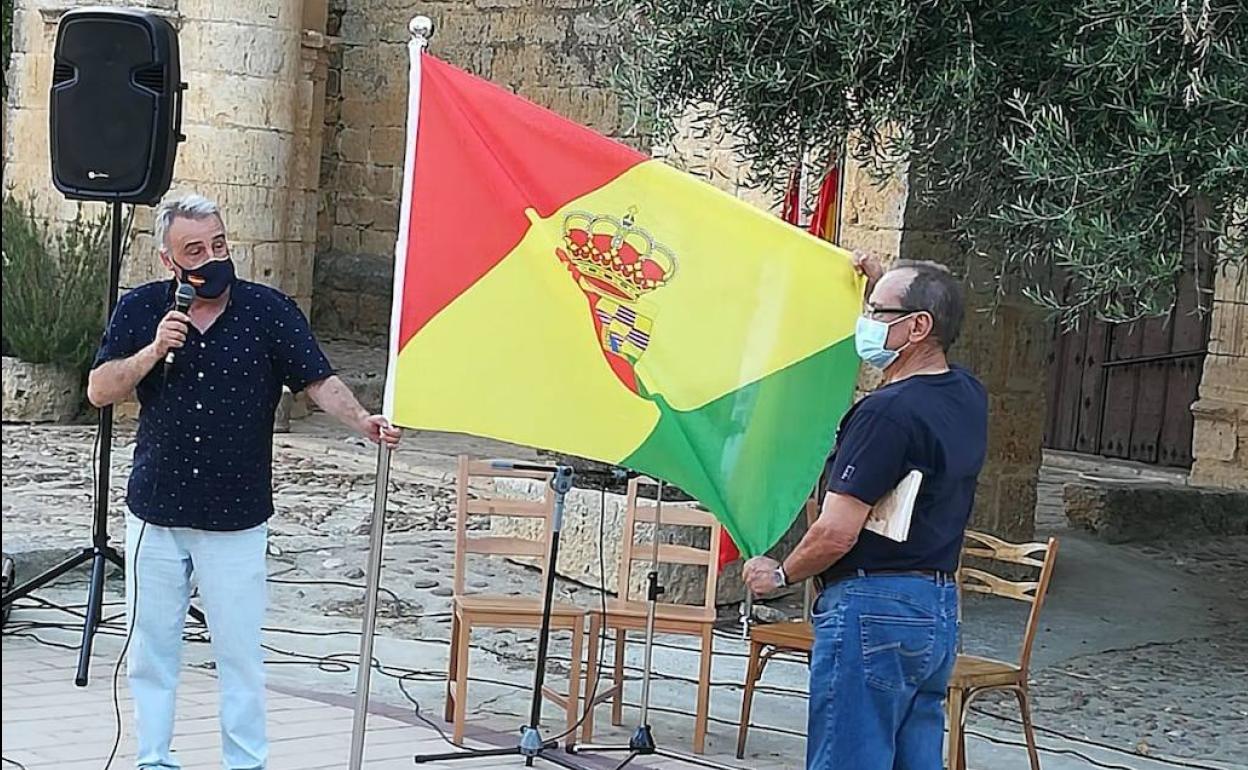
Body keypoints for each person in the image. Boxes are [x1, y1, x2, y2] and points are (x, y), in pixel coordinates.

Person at [87, 193, 402, 770]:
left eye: (219, 244)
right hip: (157, 510)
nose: (212, 257)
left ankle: (245, 761)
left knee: (238, 654)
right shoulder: (141, 310)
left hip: (235, 515)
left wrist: (361, 420)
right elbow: (101, 389)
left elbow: (317, 379)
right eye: (196, 250)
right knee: (151, 651)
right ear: (169, 261)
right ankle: (153, 758)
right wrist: (155, 349)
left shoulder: (269, 311)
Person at [743, 254, 987, 770]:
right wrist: (886, 281)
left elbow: (836, 532)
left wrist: (781, 573)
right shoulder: (967, 395)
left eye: (876, 311)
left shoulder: (886, 414)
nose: (865, 322)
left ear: (918, 326)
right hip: (934, 608)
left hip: (871, 606)